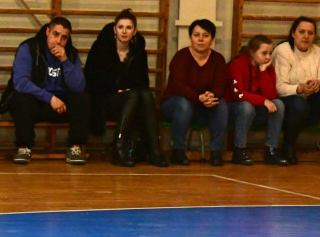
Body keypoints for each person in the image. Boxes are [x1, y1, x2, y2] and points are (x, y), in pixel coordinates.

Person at [0, 16, 90, 165]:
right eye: (55, 34)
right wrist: (49, 98)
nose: (58, 41)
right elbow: (21, 83)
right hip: (38, 101)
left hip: (61, 104)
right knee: (22, 100)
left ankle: (75, 147)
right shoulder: (29, 48)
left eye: (64, 37)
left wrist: (65, 61)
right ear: (47, 31)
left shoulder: (70, 53)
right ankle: (24, 147)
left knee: (83, 99)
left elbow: (79, 86)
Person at [84, 9, 168, 168]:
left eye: (128, 28)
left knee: (144, 94)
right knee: (135, 95)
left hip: (130, 99)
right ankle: (119, 147)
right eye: (120, 27)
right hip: (103, 100)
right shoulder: (101, 48)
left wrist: (126, 89)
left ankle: (154, 150)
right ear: (115, 29)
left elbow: (142, 81)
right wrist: (117, 89)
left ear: (134, 31)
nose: (124, 31)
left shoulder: (138, 52)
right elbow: (91, 80)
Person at [273, 16, 320, 168]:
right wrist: (299, 88)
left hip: (310, 102)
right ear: (293, 33)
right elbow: (279, 87)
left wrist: (317, 83)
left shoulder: (318, 52)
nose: (306, 36)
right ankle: (288, 147)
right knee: (299, 102)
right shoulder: (283, 51)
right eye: (302, 32)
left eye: (310, 33)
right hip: (288, 103)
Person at [160, 19, 229, 166]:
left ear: (212, 39)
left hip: (203, 105)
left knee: (220, 103)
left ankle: (216, 152)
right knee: (184, 103)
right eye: (196, 35)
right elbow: (179, 86)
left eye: (205, 35)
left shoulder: (218, 59)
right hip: (175, 105)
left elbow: (220, 85)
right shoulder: (181, 57)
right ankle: (178, 151)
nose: (200, 39)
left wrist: (212, 96)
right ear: (190, 37)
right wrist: (199, 97)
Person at [226, 35, 289, 166]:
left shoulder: (268, 68)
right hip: (234, 110)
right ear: (252, 52)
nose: (268, 57)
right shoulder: (237, 65)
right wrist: (262, 101)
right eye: (264, 53)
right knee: (246, 106)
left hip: (255, 110)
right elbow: (239, 95)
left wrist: (263, 73)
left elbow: (272, 96)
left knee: (279, 104)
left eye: (270, 53)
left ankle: (271, 150)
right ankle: (239, 150)